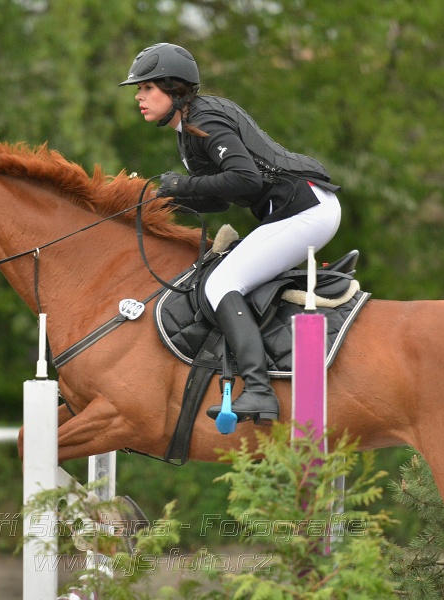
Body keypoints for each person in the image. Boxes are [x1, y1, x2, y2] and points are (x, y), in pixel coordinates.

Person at [120, 42, 342, 424]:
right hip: (295, 209)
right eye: (139, 89)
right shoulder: (187, 129)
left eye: (147, 88)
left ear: (174, 89)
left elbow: (245, 178)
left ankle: (259, 390)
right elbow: (220, 199)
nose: (139, 97)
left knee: (221, 283)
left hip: (305, 209)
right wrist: (161, 201)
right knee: (222, 279)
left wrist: (181, 185)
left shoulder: (205, 118)